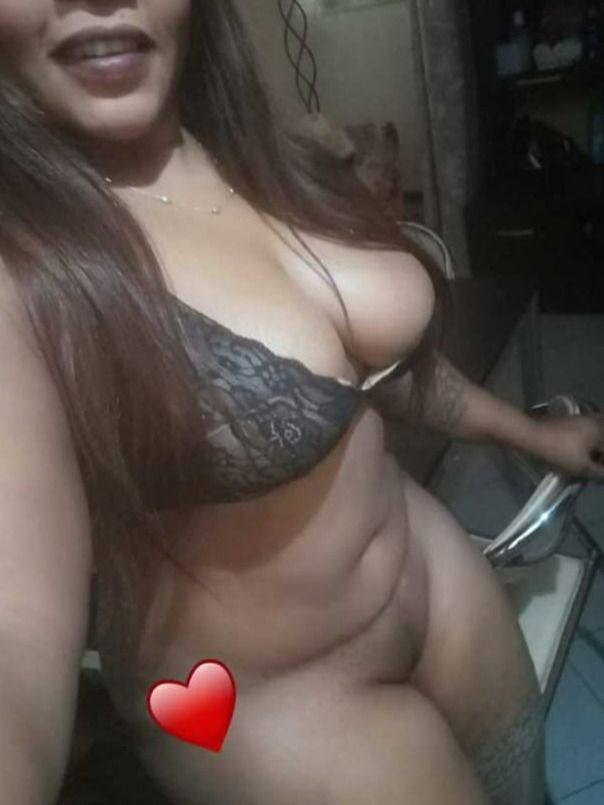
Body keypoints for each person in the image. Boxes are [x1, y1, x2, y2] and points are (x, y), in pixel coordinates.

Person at [0, 2, 602, 804]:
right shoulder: (20, 266)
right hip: (273, 704)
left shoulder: (261, 156)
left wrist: (528, 432)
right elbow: (17, 620)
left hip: (438, 579)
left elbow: (353, 376)